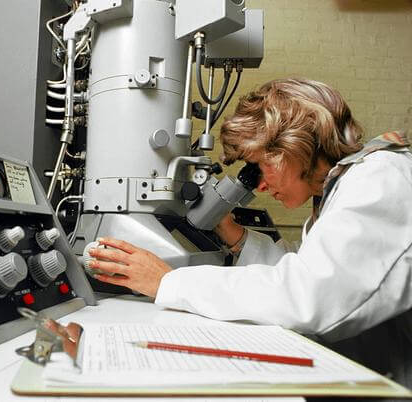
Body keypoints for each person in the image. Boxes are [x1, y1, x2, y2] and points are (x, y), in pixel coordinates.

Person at [87, 78, 412, 388]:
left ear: (294, 146)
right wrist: (237, 236)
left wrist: (167, 282)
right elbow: (308, 267)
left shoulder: (380, 177)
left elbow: (310, 295)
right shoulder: (340, 190)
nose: (260, 186)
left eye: (260, 166)